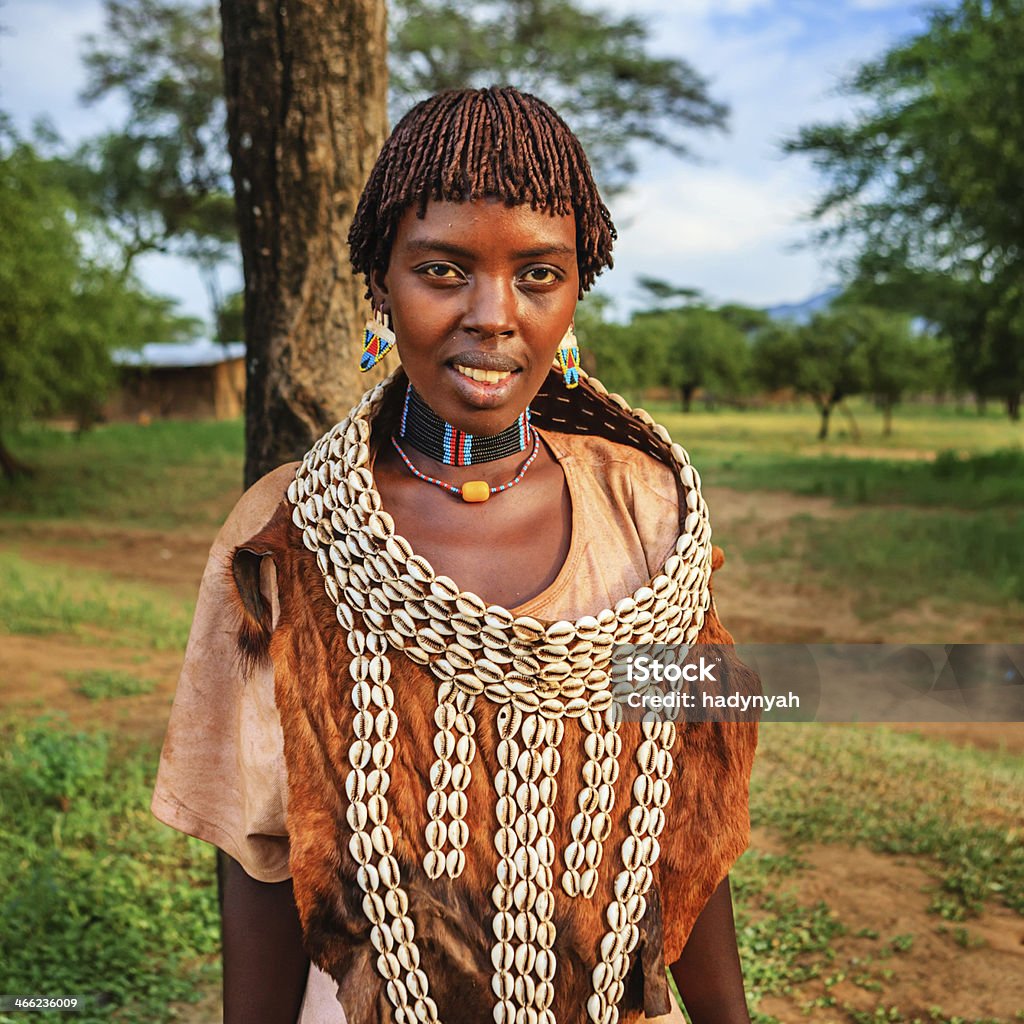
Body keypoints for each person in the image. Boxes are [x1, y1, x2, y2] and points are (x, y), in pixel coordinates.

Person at [153, 86, 758, 1024]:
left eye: (538, 275)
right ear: (380, 283)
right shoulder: (288, 530)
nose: (493, 315)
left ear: (575, 288)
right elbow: (260, 845)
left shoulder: (644, 508)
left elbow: (682, 814)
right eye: (442, 271)